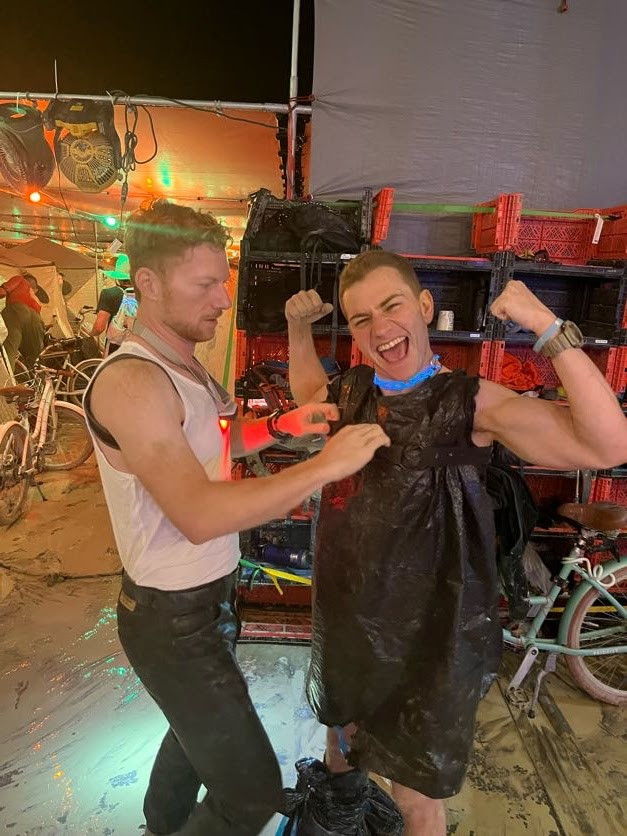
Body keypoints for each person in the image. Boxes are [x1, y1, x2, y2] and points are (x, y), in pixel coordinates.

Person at [285, 249, 627, 836]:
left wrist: (547, 327)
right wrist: (297, 330)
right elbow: (307, 392)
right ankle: (341, 817)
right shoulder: (352, 391)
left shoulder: (472, 402)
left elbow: (608, 445)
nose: (381, 328)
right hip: (349, 619)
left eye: (392, 306)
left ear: (424, 306)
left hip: (432, 634)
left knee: (415, 794)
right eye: (362, 318)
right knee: (341, 742)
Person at [83, 199, 389, 836]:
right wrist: (324, 467)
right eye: (204, 285)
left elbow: (212, 440)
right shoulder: (133, 383)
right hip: (170, 618)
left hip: (207, 599)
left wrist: (282, 425)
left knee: (190, 737)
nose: (223, 301)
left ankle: (161, 825)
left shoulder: (183, 365)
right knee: (250, 795)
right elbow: (197, 512)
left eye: (221, 283)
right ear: (148, 283)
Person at [89, 254, 137, 353]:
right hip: (140, 349)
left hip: (116, 349)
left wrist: (90, 335)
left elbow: (99, 327)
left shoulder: (109, 294)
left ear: (117, 277)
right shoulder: (147, 295)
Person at [0, 273, 45, 370]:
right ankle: (35, 378)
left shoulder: (19, 279)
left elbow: (2, 292)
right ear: (35, 289)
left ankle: (6, 377)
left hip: (17, 311)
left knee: (9, 350)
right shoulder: (36, 299)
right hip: (37, 320)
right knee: (33, 359)